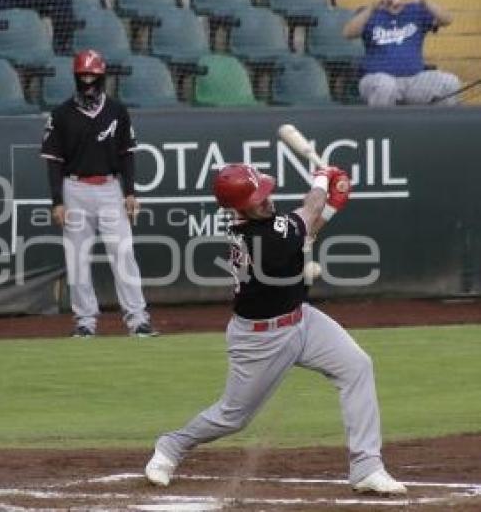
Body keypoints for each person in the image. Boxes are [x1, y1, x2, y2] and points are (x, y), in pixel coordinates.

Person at [144, 163, 407, 496]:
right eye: (257, 198)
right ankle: (171, 446)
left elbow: (306, 229)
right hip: (261, 338)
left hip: (303, 320)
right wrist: (324, 179)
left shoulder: (266, 224)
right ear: (238, 207)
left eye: (265, 192)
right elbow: (308, 213)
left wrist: (331, 204)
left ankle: (367, 466)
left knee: (357, 366)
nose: (266, 201)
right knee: (233, 417)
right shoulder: (259, 239)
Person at [40, 49, 157, 338]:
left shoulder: (117, 110)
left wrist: (130, 192)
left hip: (109, 188)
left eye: (93, 74)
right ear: (76, 77)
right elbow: (53, 163)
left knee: (123, 253)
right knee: (78, 257)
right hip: (75, 187)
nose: (88, 80)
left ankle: (137, 319)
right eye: (83, 75)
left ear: (102, 76)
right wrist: (57, 201)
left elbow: (127, 155)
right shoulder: (61, 114)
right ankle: (84, 321)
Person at [342, 0, 460, 106]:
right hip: (376, 79)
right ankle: (382, 129)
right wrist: (373, 6)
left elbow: (447, 20)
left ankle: (438, 128)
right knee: (386, 86)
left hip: (413, 80)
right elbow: (347, 33)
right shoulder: (369, 12)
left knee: (450, 83)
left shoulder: (416, 10)